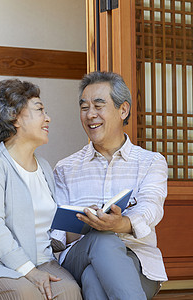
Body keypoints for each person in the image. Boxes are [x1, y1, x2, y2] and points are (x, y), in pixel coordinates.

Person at [0, 79, 82, 300]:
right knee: (25, 294)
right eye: (40, 110)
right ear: (14, 116)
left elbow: (49, 227)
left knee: (69, 292)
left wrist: (84, 220)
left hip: (41, 262)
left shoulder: (44, 167)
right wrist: (30, 273)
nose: (48, 117)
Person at [51, 71, 168, 300]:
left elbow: (151, 208)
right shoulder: (65, 168)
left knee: (94, 280)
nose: (90, 114)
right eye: (84, 107)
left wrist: (120, 223)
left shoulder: (151, 162)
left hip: (137, 261)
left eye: (98, 105)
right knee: (102, 238)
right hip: (79, 256)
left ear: (122, 110)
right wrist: (88, 224)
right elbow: (54, 233)